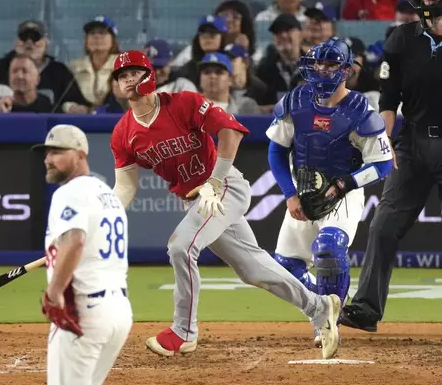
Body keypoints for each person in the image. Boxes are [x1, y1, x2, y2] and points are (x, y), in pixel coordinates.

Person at [108, 51, 341, 360]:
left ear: (149, 75)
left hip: (223, 186)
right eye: (122, 76)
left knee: (181, 247)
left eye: (133, 73)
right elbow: (126, 185)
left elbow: (230, 132)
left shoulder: (183, 102)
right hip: (193, 201)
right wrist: (105, 214)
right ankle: (320, 307)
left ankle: (183, 332)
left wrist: (215, 183)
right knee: (253, 269)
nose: (128, 79)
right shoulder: (123, 133)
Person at [340, 0, 442, 338]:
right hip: (410, 144)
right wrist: (385, 144)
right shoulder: (400, 39)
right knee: (383, 226)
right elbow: (389, 99)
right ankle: (366, 308)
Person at [267, 37, 394, 348]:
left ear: (346, 70)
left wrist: (343, 185)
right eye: (318, 63)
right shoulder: (295, 102)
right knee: (284, 269)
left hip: (342, 191)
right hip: (304, 189)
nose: (322, 70)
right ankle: (322, 306)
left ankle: (327, 325)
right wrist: (290, 194)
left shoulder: (360, 111)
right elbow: (276, 152)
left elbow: (383, 164)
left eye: (331, 64)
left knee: (328, 248)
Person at [35, 124, 133, 385]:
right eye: (47, 154)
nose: (48, 160)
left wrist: (54, 292)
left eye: (57, 152)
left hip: (84, 310)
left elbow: (76, 240)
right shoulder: (107, 195)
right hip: (119, 313)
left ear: (80, 155)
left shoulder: (69, 192)